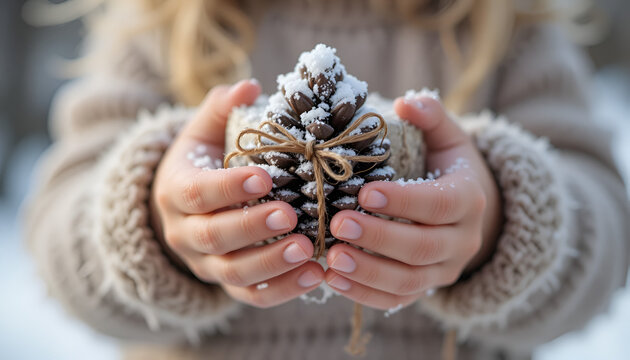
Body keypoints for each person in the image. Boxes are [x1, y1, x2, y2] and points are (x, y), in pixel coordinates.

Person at [22, 0, 629, 359]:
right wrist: (156, 220)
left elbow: (608, 236)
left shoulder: (509, 23)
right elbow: (54, 234)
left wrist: (502, 220)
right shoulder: (158, 21)